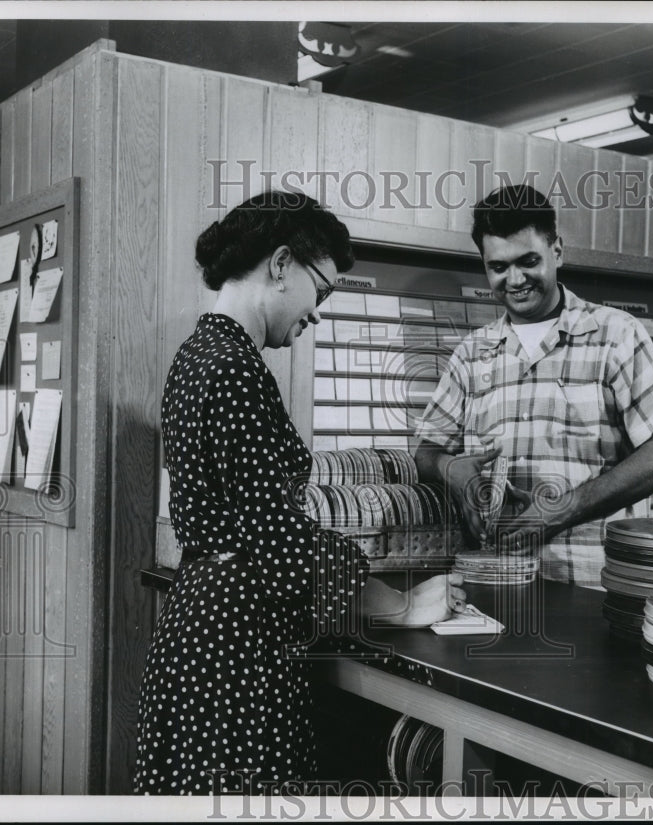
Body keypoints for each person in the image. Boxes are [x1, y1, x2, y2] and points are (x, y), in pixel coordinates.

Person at [134, 191, 464, 795]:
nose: (318, 313)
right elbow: (279, 539)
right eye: (323, 290)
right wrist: (402, 606)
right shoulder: (233, 367)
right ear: (281, 264)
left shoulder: (198, 354)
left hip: (204, 615)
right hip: (232, 637)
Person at [414, 184, 653, 589]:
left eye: (528, 261)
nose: (515, 280)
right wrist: (451, 469)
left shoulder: (617, 334)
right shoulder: (471, 353)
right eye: (498, 267)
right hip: (493, 584)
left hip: (595, 585)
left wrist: (565, 508)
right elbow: (427, 452)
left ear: (558, 251)